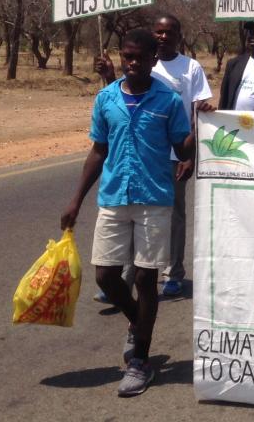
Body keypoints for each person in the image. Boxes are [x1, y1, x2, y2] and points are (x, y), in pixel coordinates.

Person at [62, 28, 194, 396]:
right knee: (104, 275)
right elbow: (98, 151)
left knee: (145, 280)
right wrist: (76, 199)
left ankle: (140, 361)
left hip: (154, 199)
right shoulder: (106, 99)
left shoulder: (168, 100)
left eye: (141, 57)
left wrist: (199, 132)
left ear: (155, 58)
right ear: (122, 57)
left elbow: (182, 145)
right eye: (128, 56)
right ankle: (138, 322)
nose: (133, 63)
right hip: (114, 197)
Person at [92, 15, 214, 299]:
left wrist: (190, 155)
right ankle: (124, 277)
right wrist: (108, 76)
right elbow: (125, 99)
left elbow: (197, 109)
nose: (162, 36)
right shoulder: (145, 61)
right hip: (146, 153)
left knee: (173, 215)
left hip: (177, 150)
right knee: (134, 211)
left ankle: (173, 273)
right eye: (158, 31)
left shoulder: (191, 68)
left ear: (179, 36)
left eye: (169, 32)